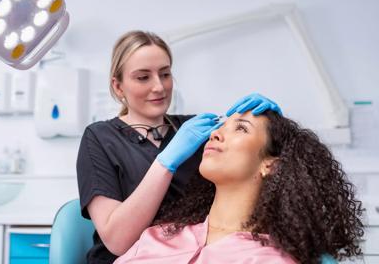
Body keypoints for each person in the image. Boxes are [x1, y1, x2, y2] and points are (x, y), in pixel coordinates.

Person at [76, 30, 282, 263]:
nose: (159, 87)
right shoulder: (100, 138)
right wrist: (166, 161)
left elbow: (259, 165)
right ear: (118, 87)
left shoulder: (198, 131)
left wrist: (274, 128)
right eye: (143, 77)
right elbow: (117, 240)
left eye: (165, 74)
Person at [114, 110, 365, 264]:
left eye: (241, 128)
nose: (215, 135)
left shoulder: (272, 259)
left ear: (271, 165)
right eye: (220, 127)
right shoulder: (158, 236)